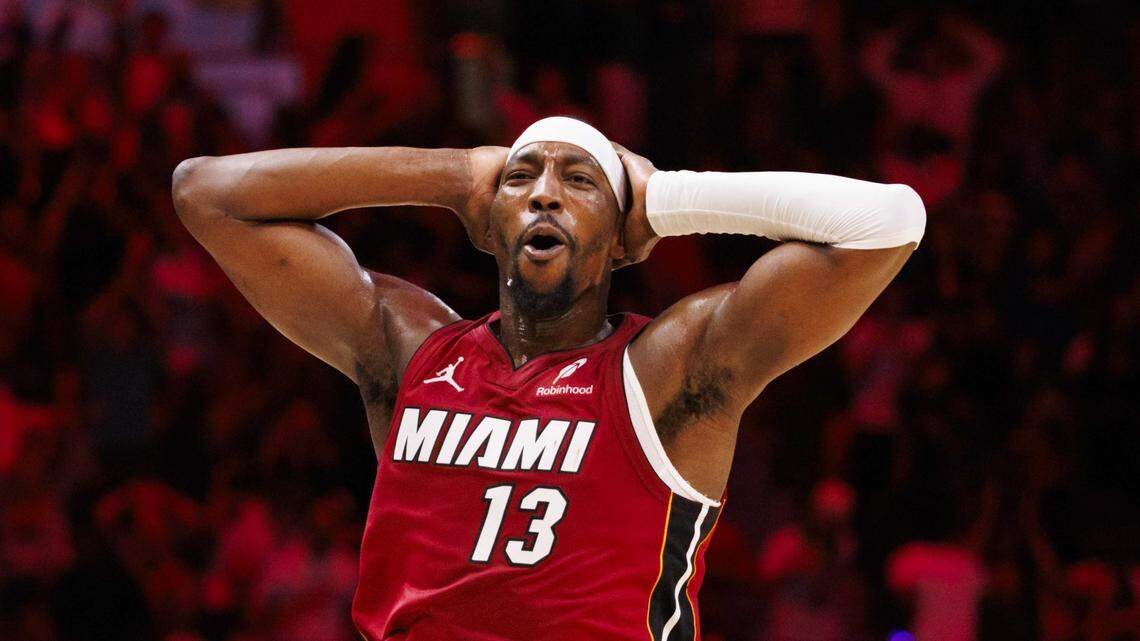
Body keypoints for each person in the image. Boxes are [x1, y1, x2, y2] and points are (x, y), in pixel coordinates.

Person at [171, 116, 925, 640]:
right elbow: (206, 191)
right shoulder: (412, 351)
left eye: (580, 181)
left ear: (619, 239)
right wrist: (451, 174)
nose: (544, 192)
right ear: (489, 221)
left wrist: (664, 197)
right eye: (521, 177)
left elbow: (889, 220)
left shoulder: (665, 371)